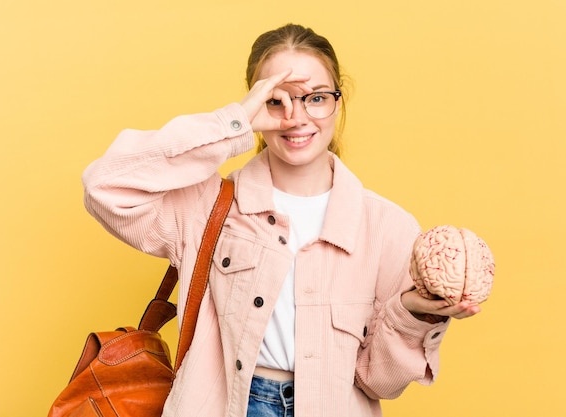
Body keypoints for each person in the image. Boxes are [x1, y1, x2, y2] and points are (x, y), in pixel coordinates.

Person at [82, 23, 480, 417]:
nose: (296, 117)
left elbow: (381, 382)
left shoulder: (388, 228)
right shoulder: (208, 208)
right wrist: (232, 121)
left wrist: (412, 313)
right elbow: (105, 185)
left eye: (316, 98)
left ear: (338, 101)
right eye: (277, 100)